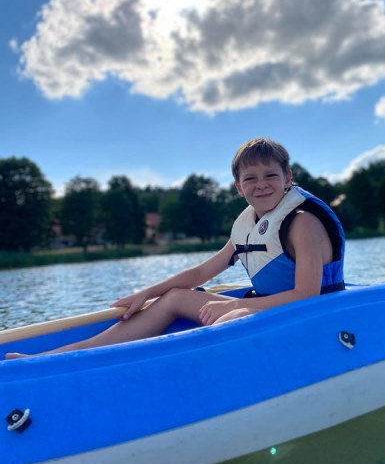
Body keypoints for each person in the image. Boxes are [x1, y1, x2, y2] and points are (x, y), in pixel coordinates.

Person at [6, 138, 345, 358]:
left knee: (235, 317)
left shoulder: (302, 222)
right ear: (238, 187)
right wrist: (145, 293)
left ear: (287, 177)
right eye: (250, 178)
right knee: (173, 297)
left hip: (310, 313)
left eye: (270, 175)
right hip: (267, 306)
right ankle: (60, 356)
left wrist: (240, 307)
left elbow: (306, 295)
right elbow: (201, 272)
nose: (261, 185)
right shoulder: (249, 224)